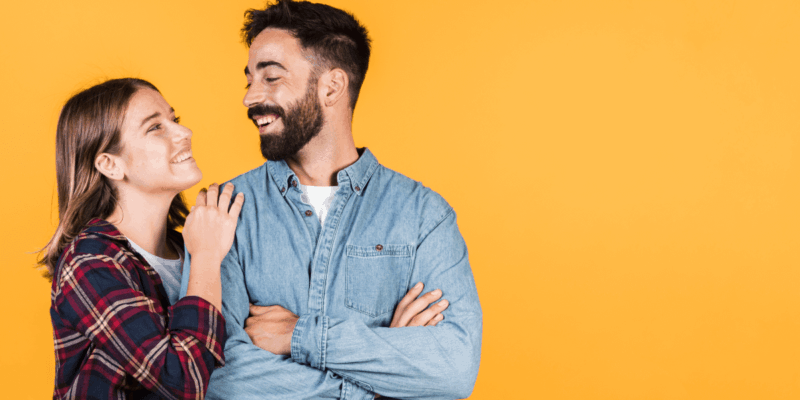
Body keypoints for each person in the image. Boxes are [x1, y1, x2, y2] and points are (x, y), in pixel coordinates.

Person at [179, 1, 483, 398]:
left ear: (332, 87)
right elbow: (216, 374)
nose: (250, 97)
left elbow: (452, 368)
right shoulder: (222, 212)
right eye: (250, 80)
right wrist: (380, 380)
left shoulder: (424, 215)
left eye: (270, 77)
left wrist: (298, 337)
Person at [41, 78, 244, 399]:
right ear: (110, 164)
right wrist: (206, 256)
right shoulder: (90, 262)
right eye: (155, 128)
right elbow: (180, 381)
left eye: (174, 120)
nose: (184, 132)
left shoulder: (191, 245)